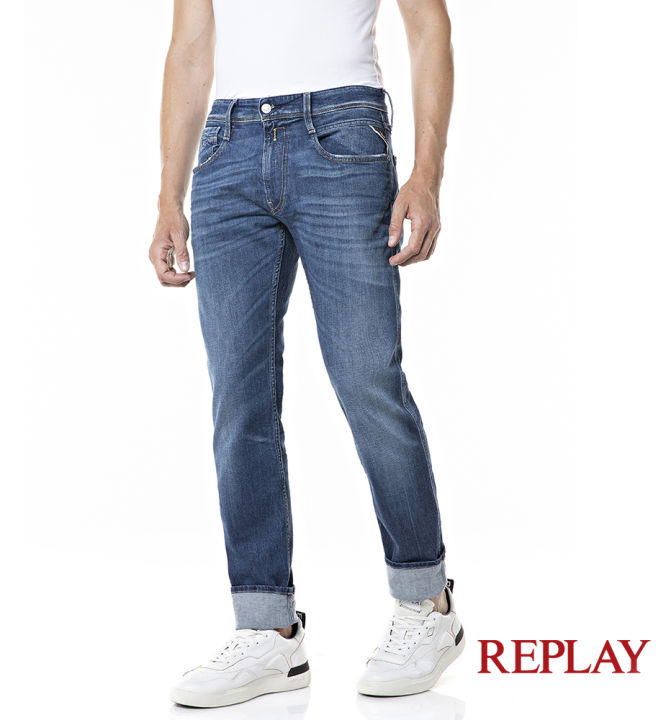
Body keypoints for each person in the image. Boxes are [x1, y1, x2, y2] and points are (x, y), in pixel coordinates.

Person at [149, 0, 461, 707]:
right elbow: (190, 48)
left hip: (342, 134)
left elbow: (428, 25)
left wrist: (427, 175)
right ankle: (267, 629)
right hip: (226, 148)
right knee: (238, 400)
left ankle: (427, 604)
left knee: (367, 378)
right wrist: (168, 196)